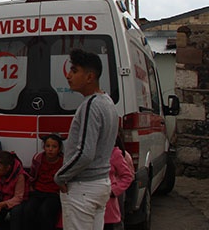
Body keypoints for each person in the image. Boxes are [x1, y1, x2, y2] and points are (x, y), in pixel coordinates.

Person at [54, 48, 119, 230]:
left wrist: (60, 176)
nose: (68, 75)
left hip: (83, 188)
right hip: (100, 184)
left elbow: (85, 152)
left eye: (74, 71)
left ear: (90, 77)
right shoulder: (108, 102)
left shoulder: (90, 106)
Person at [23, 134, 64, 230]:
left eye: (54, 147)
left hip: (54, 193)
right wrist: (31, 187)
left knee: (45, 211)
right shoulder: (38, 158)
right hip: (38, 191)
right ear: (44, 147)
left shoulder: (63, 161)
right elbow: (32, 175)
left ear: (59, 149)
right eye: (48, 146)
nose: (50, 149)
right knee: (28, 210)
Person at [0, 151, 28, 230]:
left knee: (16, 211)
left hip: (13, 201)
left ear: (7, 168)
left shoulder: (19, 176)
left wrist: (2, 204)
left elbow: (18, 197)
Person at [104, 136, 134, 230]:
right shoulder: (84, 154)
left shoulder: (114, 153)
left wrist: (114, 191)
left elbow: (127, 176)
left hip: (108, 206)